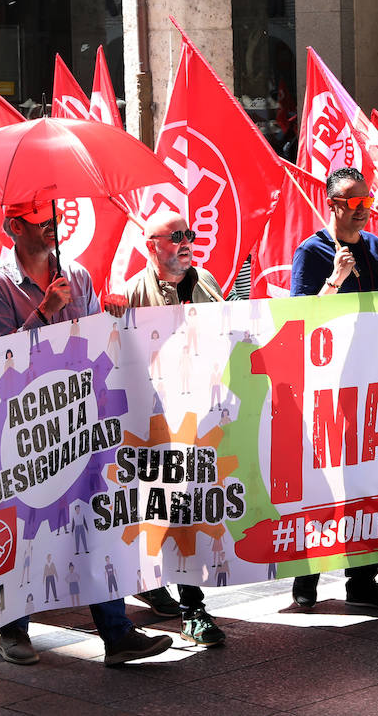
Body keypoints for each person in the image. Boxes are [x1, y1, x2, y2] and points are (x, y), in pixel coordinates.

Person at [0, 200, 171, 667]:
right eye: (38, 220)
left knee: (94, 518)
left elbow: (88, 340)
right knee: (26, 524)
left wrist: (111, 317)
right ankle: (14, 629)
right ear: (13, 227)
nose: (51, 226)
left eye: (53, 218)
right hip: (28, 423)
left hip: (80, 418)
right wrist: (44, 312)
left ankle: (117, 632)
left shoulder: (79, 275)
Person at [288, 167, 378, 611]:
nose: (364, 211)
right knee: (322, 481)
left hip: (370, 377)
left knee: (367, 479)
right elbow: (299, 318)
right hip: (327, 382)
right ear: (333, 203)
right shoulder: (311, 250)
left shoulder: (374, 246)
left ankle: (363, 578)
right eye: (354, 203)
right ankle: (306, 574)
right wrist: (333, 279)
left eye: (367, 201)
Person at [118, 210, 227, 647]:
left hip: (202, 417)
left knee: (191, 509)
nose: (187, 242)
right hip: (156, 423)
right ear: (151, 245)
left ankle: (174, 593)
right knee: (171, 508)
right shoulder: (130, 294)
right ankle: (192, 609)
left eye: (190, 234)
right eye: (176, 236)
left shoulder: (208, 284)